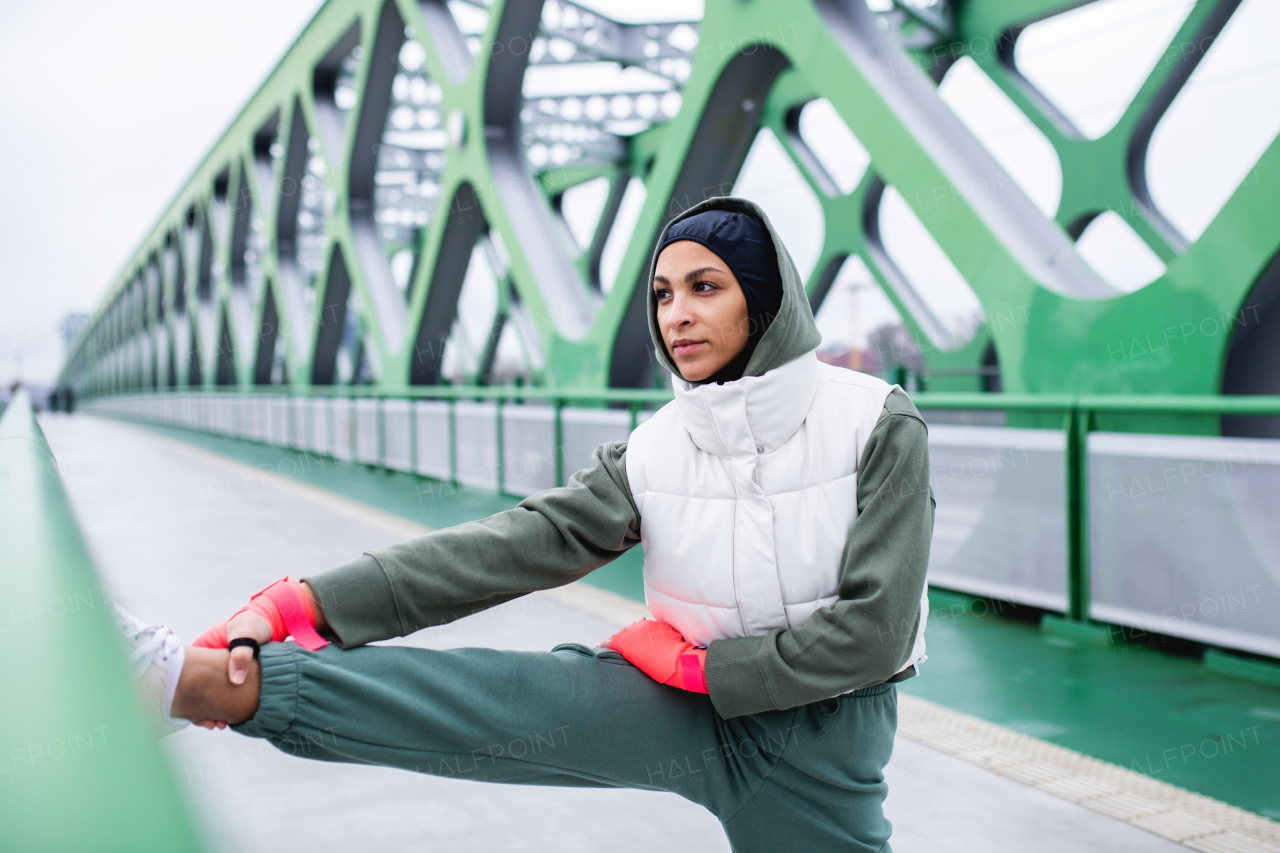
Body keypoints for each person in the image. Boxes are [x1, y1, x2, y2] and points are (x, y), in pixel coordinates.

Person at [118, 195, 935, 852]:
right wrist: (308, 602)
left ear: (765, 298)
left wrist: (699, 669)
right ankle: (184, 679)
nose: (675, 313)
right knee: (490, 701)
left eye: (705, 286)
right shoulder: (655, 449)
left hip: (817, 741)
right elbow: (514, 547)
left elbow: (875, 632)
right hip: (683, 707)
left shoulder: (875, 422)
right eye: (662, 293)